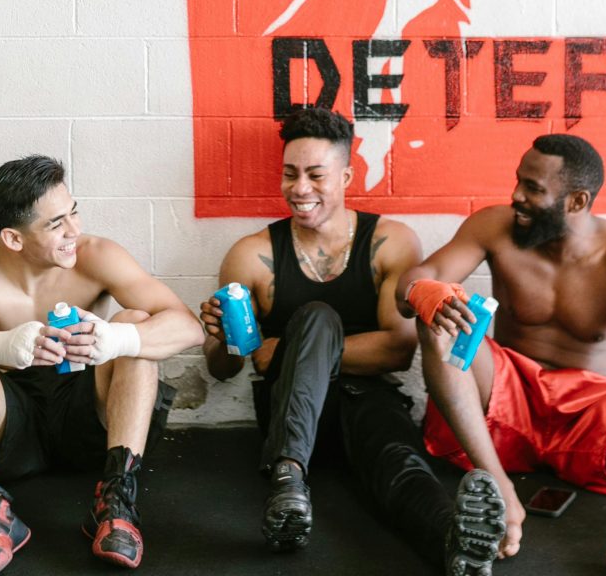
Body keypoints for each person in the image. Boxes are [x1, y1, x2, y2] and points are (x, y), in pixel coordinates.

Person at [396, 133, 606, 576]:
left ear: (577, 201)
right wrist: (423, 291)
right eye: (518, 181)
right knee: (438, 320)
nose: (516, 195)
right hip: (504, 401)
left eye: (534, 189)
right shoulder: (493, 227)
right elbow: (417, 282)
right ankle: (498, 488)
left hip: (593, 417)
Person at [199, 107, 506, 576]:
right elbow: (227, 368)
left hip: (369, 401)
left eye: (315, 175)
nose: (300, 189)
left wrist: (284, 350)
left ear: (346, 175)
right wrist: (220, 341)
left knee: (401, 466)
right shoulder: (252, 255)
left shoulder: (391, 241)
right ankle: (288, 481)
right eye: (290, 174)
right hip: (291, 424)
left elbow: (398, 351)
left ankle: (454, 541)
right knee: (318, 317)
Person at [0, 155, 204, 576]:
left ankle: (117, 499)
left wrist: (117, 340)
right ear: (14, 238)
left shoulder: (98, 255)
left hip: (88, 419)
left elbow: (189, 327)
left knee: (135, 325)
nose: (74, 231)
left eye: (73, 213)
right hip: (10, 428)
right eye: (56, 224)